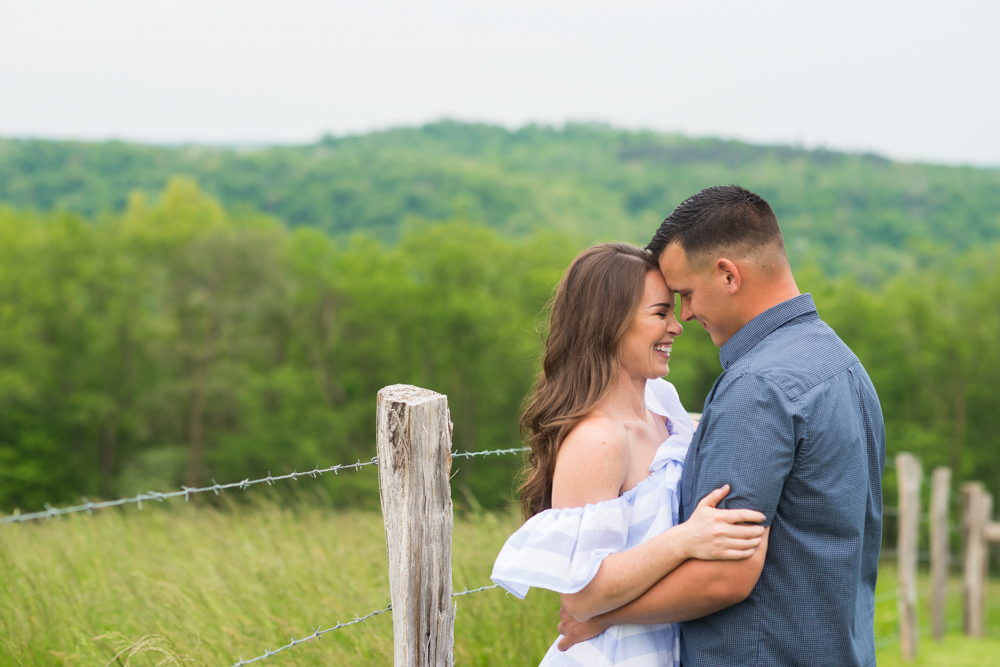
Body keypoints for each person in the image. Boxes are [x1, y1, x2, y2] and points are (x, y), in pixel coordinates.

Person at [556, 186, 885, 667]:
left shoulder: (758, 386)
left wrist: (605, 615)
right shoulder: (841, 363)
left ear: (728, 274)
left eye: (686, 294)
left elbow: (724, 575)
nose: (685, 315)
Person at [491, 242, 766, 666]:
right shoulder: (598, 440)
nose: (677, 326)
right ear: (610, 324)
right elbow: (581, 594)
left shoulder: (664, 406)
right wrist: (685, 540)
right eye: (660, 313)